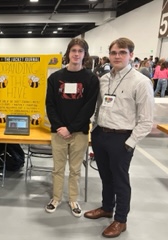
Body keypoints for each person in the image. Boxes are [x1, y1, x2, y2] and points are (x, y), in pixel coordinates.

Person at [84, 37, 154, 238]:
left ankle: (121, 219)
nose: (117, 56)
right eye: (114, 52)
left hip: (122, 139)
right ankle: (107, 207)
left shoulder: (141, 82)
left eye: (122, 52)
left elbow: (146, 120)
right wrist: (93, 128)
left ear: (131, 55)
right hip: (100, 135)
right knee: (105, 176)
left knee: (120, 180)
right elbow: (98, 107)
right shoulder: (104, 79)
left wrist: (129, 143)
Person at [45, 38, 99, 217]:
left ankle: (73, 199)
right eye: (73, 50)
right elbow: (50, 105)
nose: (76, 54)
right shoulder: (55, 78)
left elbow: (89, 107)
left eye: (80, 51)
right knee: (58, 168)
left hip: (80, 132)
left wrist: (72, 128)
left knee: (75, 169)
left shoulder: (91, 79)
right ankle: (56, 198)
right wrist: (60, 127)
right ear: (68, 53)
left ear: (85, 54)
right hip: (58, 132)